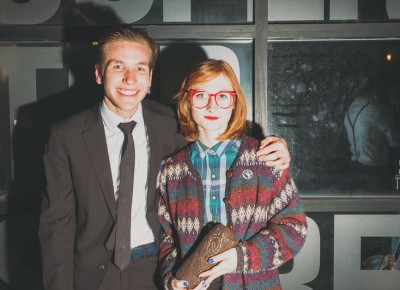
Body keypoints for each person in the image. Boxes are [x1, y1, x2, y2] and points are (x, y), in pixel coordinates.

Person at [38, 26, 292, 290]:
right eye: (117, 67)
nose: (129, 78)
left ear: (149, 77)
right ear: (99, 73)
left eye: (139, 68)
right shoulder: (65, 136)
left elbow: (220, 129)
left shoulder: (173, 123)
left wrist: (275, 144)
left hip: (158, 273)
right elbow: (57, 227)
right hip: (92, 275)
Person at [157, 59, 307, 290]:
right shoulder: (171, 170)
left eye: (223, 96)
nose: (211, 107)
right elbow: (167, 238)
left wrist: (242, 257)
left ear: (235, 102)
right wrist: (173, 279)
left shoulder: (265, 159)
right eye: (201, 95)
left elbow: (293, 228)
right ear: (188, 100)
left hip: (254, 282)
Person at [344, 75, 400, 192]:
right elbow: (395, 140)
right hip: (375, 169)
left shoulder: (351, 109)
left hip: (356, 167)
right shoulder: (374, 109)